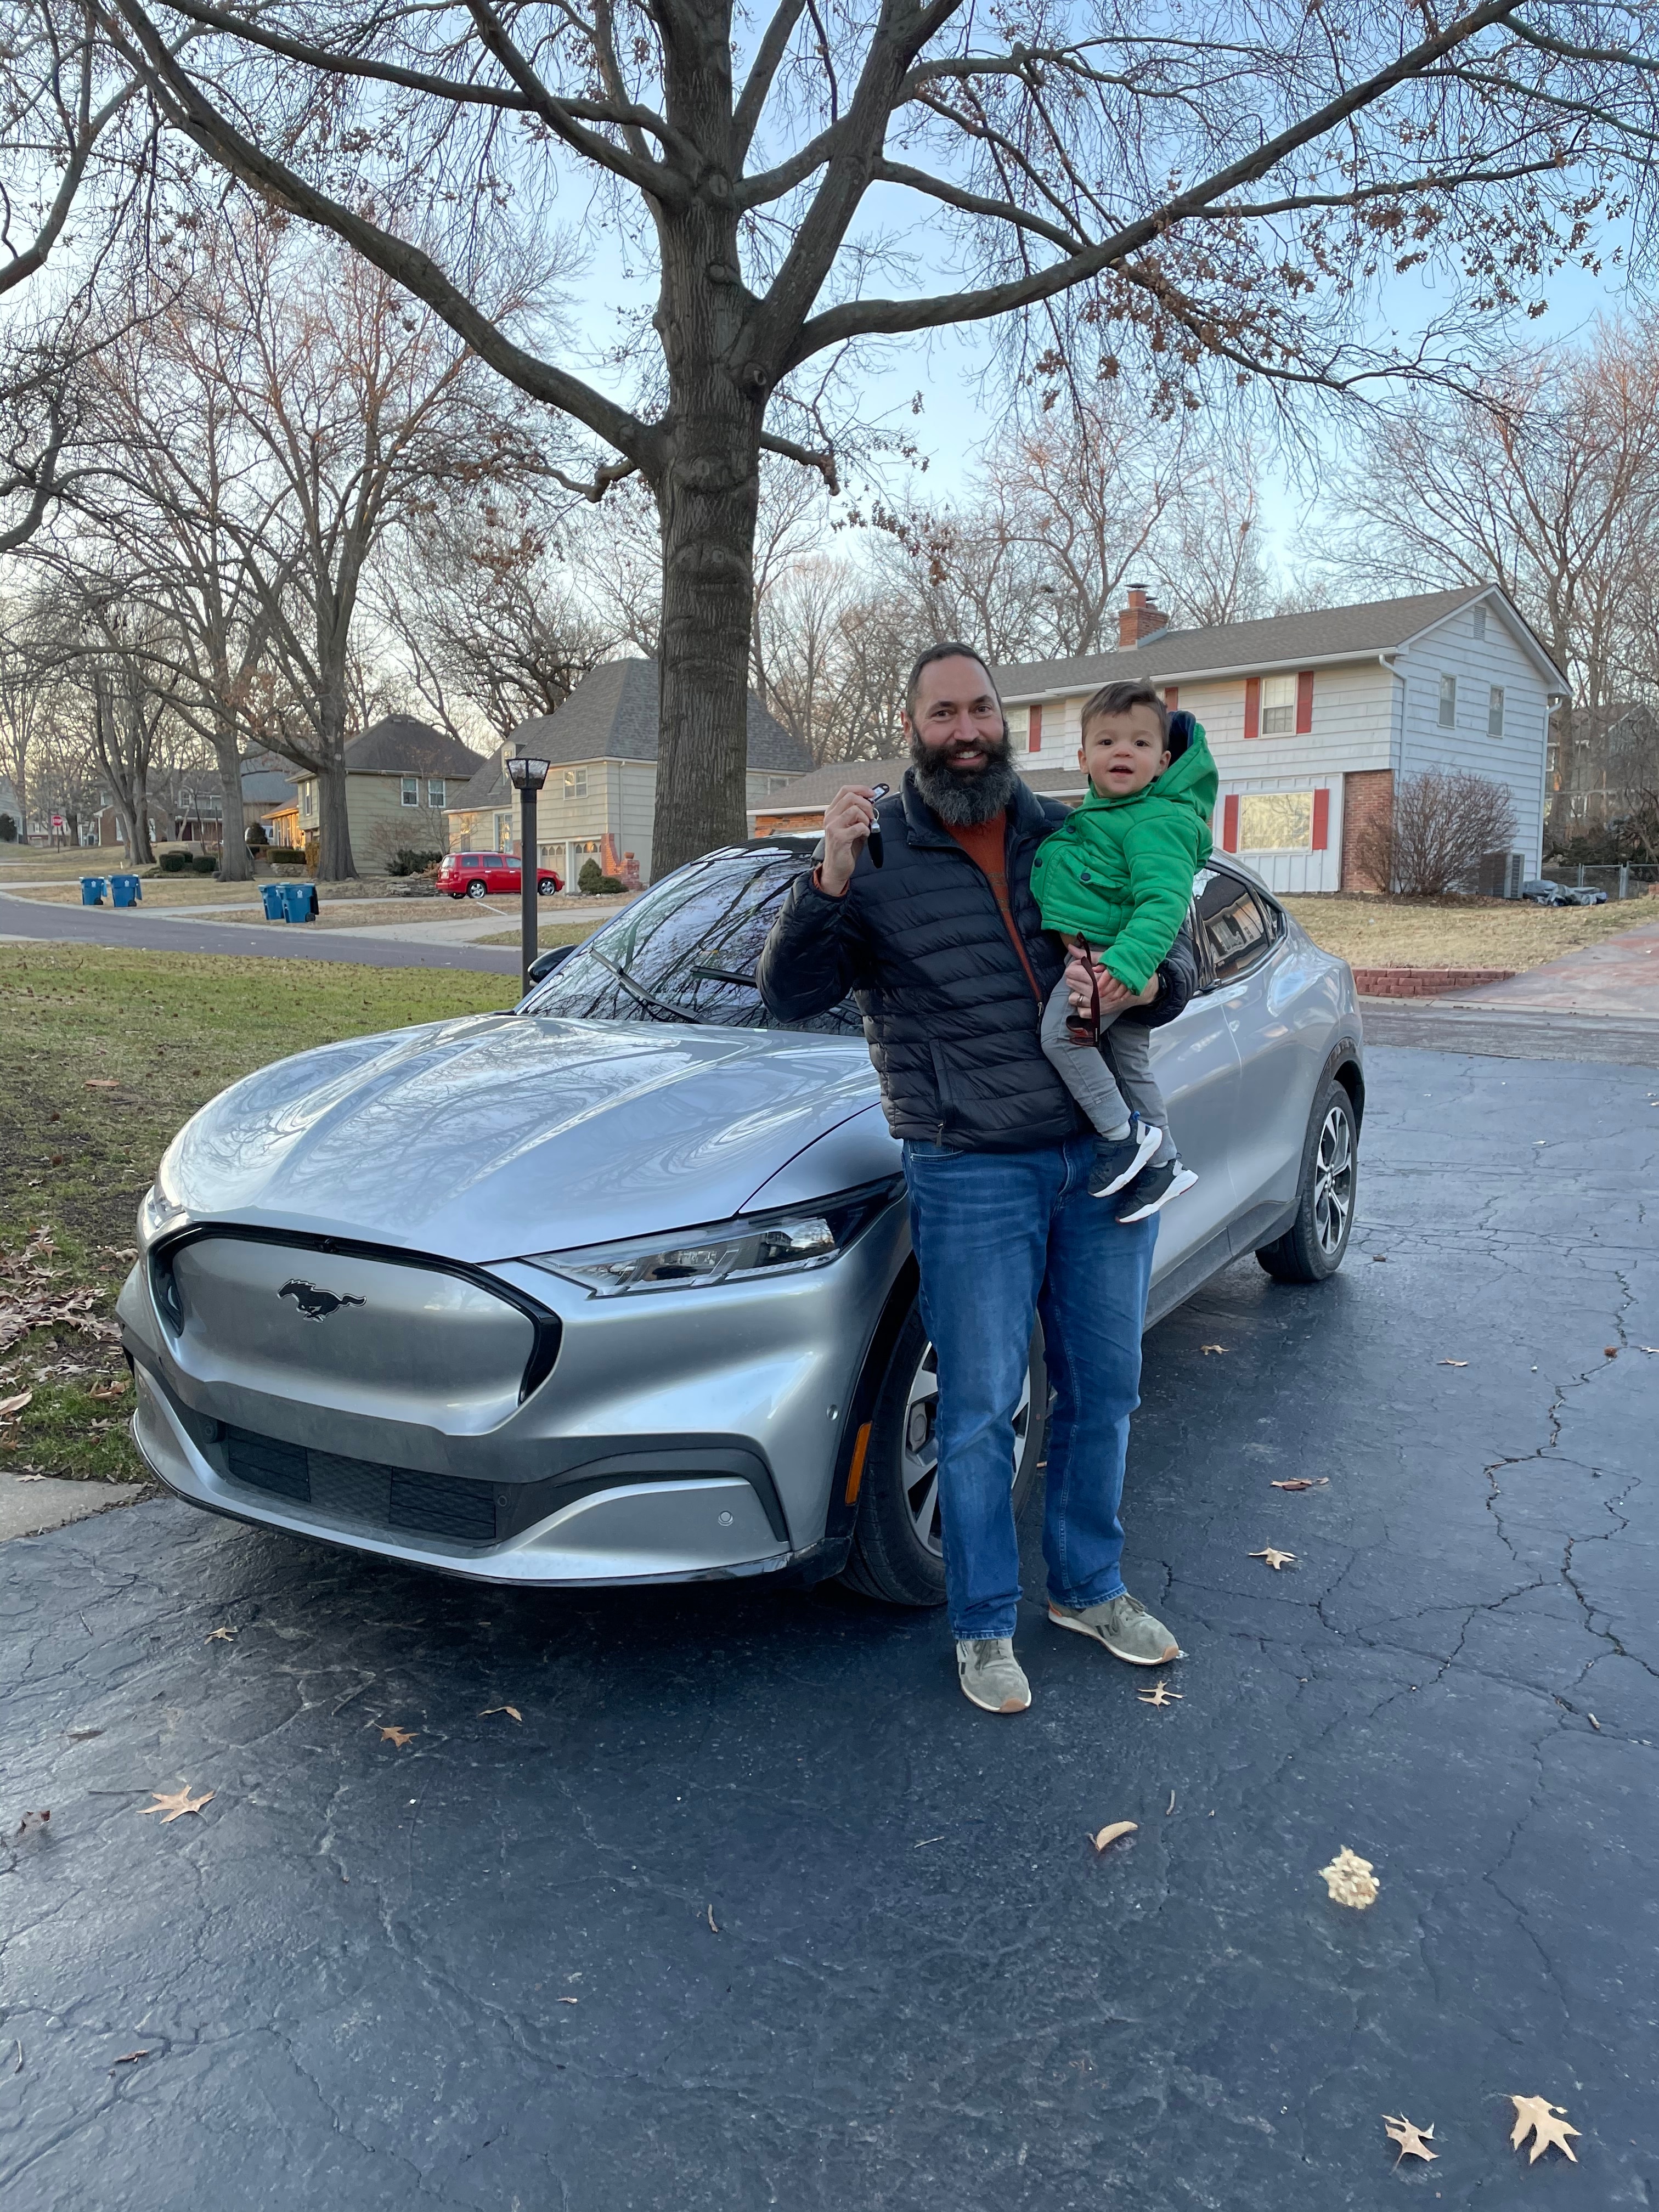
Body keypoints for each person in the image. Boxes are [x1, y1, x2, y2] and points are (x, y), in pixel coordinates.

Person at [755, 643, 1194, 1716]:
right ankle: (985, 1623)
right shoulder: (876, 851)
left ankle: (1088, 1589)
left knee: (1105, 1391)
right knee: (983, 1407)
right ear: (914, 728)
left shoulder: (1063, 829)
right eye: (943, 711)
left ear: (1006, 720)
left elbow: (1168, 957)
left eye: (982, 708)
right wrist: (828, 878)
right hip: (969, 1169)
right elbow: (790, 992)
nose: (967, 727)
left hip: (1097, 1156)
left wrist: (1137, 982)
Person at [1032, 684, 1216, 1221]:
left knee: (1062, 1036)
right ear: (1083, 757)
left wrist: (1126, 966)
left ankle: (1122, 1137)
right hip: (1110, 953)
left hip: (1112, 961)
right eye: (1107, 740)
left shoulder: (1156, 821)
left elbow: (1163, 903)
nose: (1122, 752)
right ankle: (1165, 1165)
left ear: (1162, 763)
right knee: (1131, 1064)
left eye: (1139, 744)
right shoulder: (1106, 817)